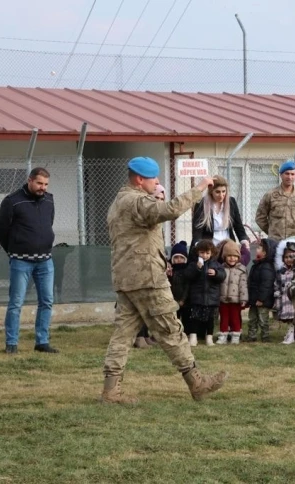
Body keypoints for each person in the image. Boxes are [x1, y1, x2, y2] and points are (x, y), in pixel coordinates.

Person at [100, 157, 227, 404]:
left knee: (122, 335)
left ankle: (110, 391)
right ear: (139, 180)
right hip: (147, 278)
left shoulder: (118, 202)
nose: (156, 182)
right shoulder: (137, 201)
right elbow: (168, 211)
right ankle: (197, 383)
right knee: (171, 330)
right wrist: (200, 188)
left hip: (127, 278)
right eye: (153, 179)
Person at [0, 167, 58, 355]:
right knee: (16, 303)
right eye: (39, 183)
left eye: (46, 184)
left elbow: (49, 224)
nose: (42, 188)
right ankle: (11, 343)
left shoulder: (49, 200)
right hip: (21, 262)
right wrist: (14, 250)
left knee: (46, 302)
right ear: (29, 180)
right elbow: (0, 230)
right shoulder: (12, 201)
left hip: (46, 261)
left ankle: (42, 342)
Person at [134, 183, 169, 349]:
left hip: (154, 265)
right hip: (138, 265)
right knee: (139, 304)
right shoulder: (143, 215)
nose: (159, 202)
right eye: (156, 198)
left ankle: (146, 335)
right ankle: (138, 337)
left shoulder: (159, 221)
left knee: (151, 304)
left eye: (162, 199)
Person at [191, 175, 250, 265]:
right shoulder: (202, 204)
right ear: (211, 192)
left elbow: (238, 225)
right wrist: (199, 246)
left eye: (224, 191)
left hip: (227, 244)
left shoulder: (231, 202)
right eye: (217, 192)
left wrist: (244, 240)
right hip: (209, 245)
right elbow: (197, 230)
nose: (221, 195)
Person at [255, 160, 295, 240]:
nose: (289, 177)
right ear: (281, 175)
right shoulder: (270, 195)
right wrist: (272, 231)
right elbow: (260, 217)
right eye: (287, 174)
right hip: (276, 241)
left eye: (292, 174)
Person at [184, 239, 226, 346]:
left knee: (210, 319)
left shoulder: (216, 264)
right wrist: (197, 268)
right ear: (198, 252)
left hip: (211, 298)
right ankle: (193, 337)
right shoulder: (194, 264)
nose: (205, 255)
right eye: (202, 252)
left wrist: (216, 273)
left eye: (207, 253)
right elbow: (188, 275)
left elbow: (222, 276)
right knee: (194, 318)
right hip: (197, 297)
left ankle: (209, 338)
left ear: (212, 253)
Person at [247, 238, 279, 342]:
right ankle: (251, 336)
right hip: (254, 299)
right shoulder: (256, 265)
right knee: (252, 318)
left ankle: (265, 336)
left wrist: (261, 299)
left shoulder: (267, 267)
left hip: (262, 301)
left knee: (263, 319)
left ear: (265, 253)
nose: (257, 249)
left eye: (259, 248)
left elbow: (267, 285)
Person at [217, 239, 248, 345]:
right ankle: (223, 335)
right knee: (224, 318)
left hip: (236, 300)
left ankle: (236, 335)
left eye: (234, 256)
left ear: (238, 257)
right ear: (224, 257)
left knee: (235, 318)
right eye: (229, 256)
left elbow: (243, 285)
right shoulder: (220, 269)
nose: (232, 258)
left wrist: (244, 299)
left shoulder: (241, 270)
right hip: (223, 299)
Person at [275, 237, 295, 344]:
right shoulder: (281, 271)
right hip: (286, 298)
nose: (288, 259)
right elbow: (277, 283)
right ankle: (290, 334)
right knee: (290, 318)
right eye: (286, 257)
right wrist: (277, 292)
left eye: (291, 257)